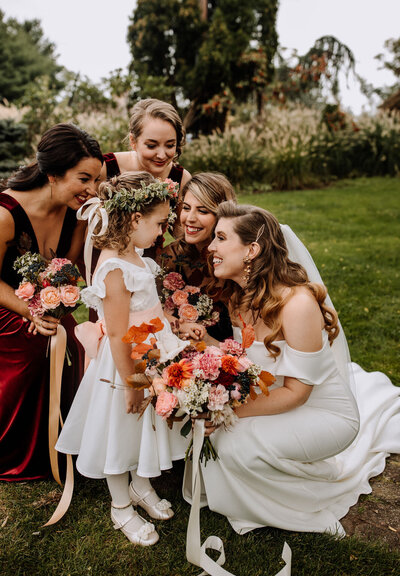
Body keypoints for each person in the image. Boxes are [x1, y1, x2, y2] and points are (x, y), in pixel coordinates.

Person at [184, 201, 400, 536]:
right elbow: (248, 359)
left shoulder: (296, 304)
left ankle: (301, 506)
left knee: (235, 444)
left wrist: (229, 413)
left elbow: (298, 393)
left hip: (324, 413)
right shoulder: (239, 297)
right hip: (278, 396)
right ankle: (262, 497)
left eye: (221, 238)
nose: (210, 247)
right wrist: (205, 344)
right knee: (224, 441)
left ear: (252, 250)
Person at [56, 172, 189, 547]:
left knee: (147, 426)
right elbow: (115, 333)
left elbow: (150, 313)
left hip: (151, 353)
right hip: (124, 367)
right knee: (121, 430)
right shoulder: (114, 268)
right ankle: (120, 505)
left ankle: (141, 486)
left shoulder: (138, 257)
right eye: (160, 223)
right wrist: (133, 384)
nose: (162, 231)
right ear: (134, 220)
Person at [0, 123, 103, 481]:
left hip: (47, 302)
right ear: (53, 174)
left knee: (81, 333)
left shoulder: (77, 210)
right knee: (36, 344)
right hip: (7, 303)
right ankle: (19, 449)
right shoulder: (5, 214)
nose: (92, 190)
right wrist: (31, 310)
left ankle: (72, 438)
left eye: (96, 180)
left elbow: (70, 266)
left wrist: (55, 305)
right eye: (84, 179)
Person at [101, 98, 191, 257]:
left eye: (170, 145)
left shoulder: (180, 178)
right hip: (105, 260)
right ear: (133, 141)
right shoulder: (106, 168)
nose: (162, 155)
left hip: (149, 262)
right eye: (151, 145)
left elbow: (181, 232)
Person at [159, 172, 236, 342]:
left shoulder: (236, 258)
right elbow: (146, 310)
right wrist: (176, 324)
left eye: (202, 211)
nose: (190, 219)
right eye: (186, 208)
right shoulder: (169, 257)